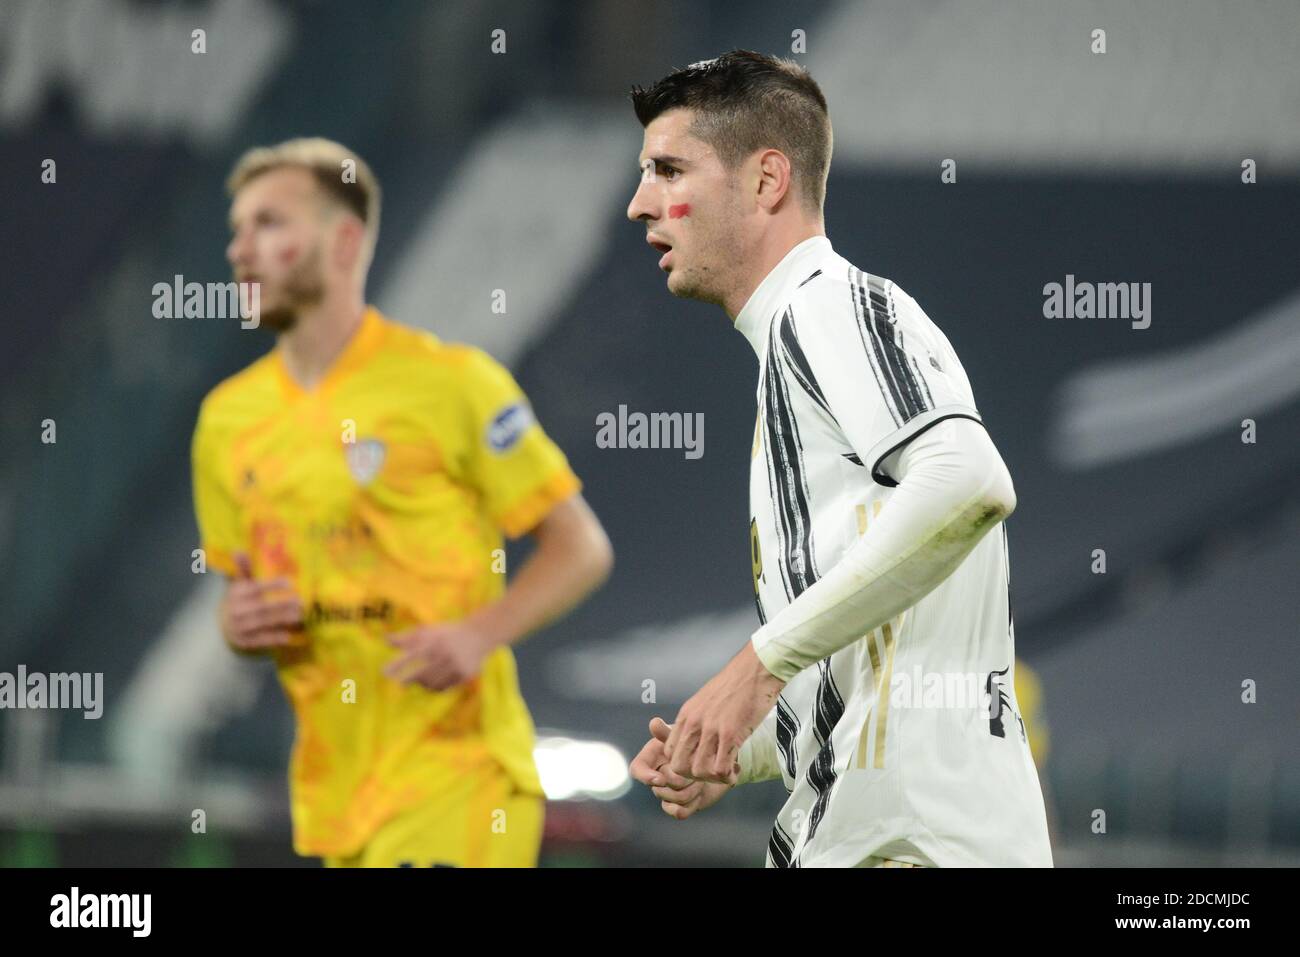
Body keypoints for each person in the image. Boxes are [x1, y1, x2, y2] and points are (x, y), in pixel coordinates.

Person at [625, 52, 1051, 867]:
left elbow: (970, 480)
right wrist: (738, 745)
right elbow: (885, 662)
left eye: (668, 168)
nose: (641, 202)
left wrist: (756, 666)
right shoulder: (794, 359)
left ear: (766, 180)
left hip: (911, 846)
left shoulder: (827, 305)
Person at [192, 138, 613, 867]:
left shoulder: (451, 385)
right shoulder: (227, 421)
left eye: (269, 224)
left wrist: (479, 634)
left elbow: (580, 548)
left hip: (460, 773)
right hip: (336, 795)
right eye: (237, 229)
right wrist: (238, 625)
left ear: (344, 240)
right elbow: (241, 603)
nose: (240, 250)